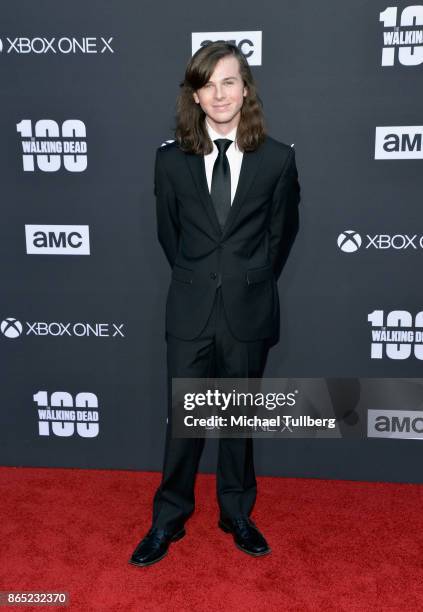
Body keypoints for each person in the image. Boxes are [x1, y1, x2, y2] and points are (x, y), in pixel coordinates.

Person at [129, 41, 301, 567]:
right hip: (189, 309)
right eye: (208, 84)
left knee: (237, 421)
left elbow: (281, 235)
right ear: (196, 96)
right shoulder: (170, 160)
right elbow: (169, 235)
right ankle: (168, 519)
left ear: (245, 88)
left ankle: (237, 513)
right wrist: (202, 277)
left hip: (247, 310)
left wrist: (246, 278)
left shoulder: (277, 158)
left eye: (229, 81)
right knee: (184, 420)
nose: (219, 93)